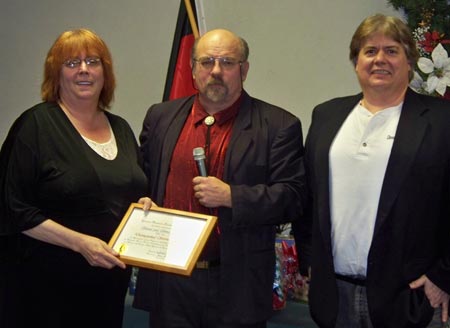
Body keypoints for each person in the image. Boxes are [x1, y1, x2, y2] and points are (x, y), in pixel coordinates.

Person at [133, 28, 306, 328]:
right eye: (206, 62)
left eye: (227, 62)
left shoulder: (279, 125)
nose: (216, 71)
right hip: (170, 283)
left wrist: (232, 196)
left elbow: (294, 197)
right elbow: (142, 178)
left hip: (236, 286)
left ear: (244, 70)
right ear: (193, 69)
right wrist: (143, 198)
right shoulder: (161, 117)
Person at [298, 14, 450, 328]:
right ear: (356, 62)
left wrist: (443, 276)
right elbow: (308, 196)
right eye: (370, 51)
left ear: (409, 61)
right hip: (334, 298)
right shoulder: (327, 116)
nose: (380, 59)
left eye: (391, 50)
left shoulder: (442, 121)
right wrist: (310, 261)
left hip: (411, 299)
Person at [0, 28, 148, 328]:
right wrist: (80, 243)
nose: (84, 70)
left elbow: (125, 192)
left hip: (108, 287)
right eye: (72, 63)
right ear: (56, 74)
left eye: (93, 62)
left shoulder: (120, 127)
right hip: (46, 290)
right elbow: (13, 208)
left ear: (105, 73)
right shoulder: (35, 125)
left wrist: (144, 206)